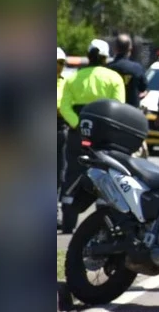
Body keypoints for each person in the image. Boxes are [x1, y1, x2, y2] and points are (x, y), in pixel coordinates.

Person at [58, 39, 126, 233]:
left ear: (88, 56)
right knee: (107, 177)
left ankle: (69, 224)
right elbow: (118, 107)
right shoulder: (114, 78)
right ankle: (103, 225)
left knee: (71, 176)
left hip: (77, 134)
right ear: (105, 58)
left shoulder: (73, 78)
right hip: (105, 137)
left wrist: (79, 125)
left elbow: (64, 106)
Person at [107, 33, 147, 109]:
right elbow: (143, 89)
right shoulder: (136, 68)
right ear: (130, 48)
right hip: (131, 112)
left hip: (112, 111)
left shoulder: (107, 68)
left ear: (115, 48)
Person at [57, 47, 71, 207]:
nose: (59, 65)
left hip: (61, 128)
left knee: (61, 170)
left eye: (61, 62)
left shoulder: (67, 82)